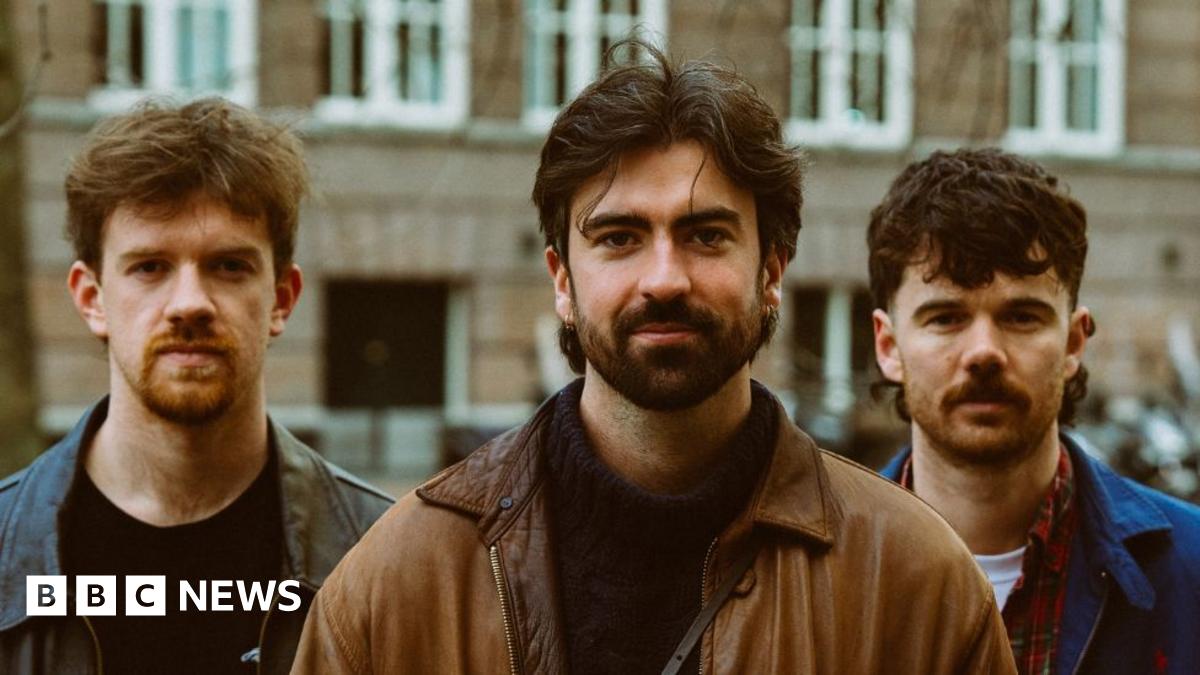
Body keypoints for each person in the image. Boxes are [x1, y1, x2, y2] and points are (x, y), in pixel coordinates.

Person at [291, 46, 1014, 674]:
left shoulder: (917, 582)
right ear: (562, 281)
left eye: (705, 235)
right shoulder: (396, 584)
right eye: (619, 237)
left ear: (771, 272)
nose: (664, 277)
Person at [0, 98, 392, 674]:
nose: (189, 304)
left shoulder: (383, 553)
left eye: (229, 266)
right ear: (91, 299)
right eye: (149, 267)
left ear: (281, 298)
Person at [870, 147, 1200, 674]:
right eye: (946, 317)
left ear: (1073, 343)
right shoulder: (814, 576)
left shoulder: (1189, 571)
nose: (983, 352)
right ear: (888, 346)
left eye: (1021, 316)